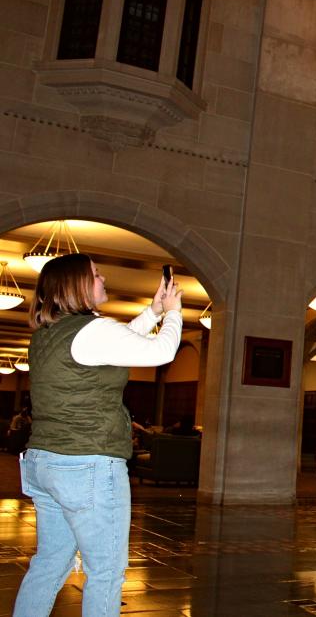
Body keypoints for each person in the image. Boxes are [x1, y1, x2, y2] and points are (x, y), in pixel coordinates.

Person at [13, 253, 182, 617]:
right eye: (95, 274)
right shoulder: (91, 329)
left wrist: (153, 312)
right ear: (76, 285)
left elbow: (116, 344)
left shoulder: (48, 333)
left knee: (49, 564)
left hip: (45, 462)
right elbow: (162, 350)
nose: (103, 278)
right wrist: (173, 312)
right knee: (105, 572)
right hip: (87, 465)